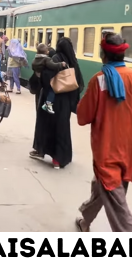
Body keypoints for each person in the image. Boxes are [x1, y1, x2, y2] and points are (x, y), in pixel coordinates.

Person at [75, 32, 132, 232]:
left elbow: (82, 117)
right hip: (129, 153)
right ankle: (85, 219)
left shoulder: (99, 81)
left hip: (106, 153)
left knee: (117, 203)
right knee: (104, 188)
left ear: (103, 55)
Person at [30, 37, 83, 169]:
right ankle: (60, 158)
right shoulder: (73, 62)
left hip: (50, 100)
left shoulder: (54, 59)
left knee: (44, 126)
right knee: (62, 129)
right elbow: (79, 84)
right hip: (64, 102)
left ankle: (41, 150)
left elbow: (45, 80)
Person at [32, 43, 67, 113]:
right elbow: (53, 66)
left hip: (38, 81)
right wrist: (61, 64)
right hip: (46, 82)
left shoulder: (35, 59)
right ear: (46, 52)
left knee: (39, 102)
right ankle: (48, 103)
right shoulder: (46, 59)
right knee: (52, 89)